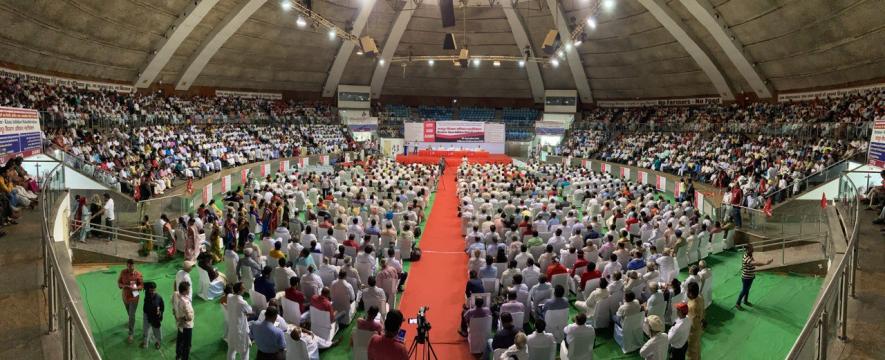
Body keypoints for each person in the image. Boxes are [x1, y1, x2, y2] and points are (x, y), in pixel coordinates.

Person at [735, 244, 772, 310]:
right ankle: (737, 303)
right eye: (750, 249)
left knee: (747, 289)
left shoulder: (750, 255)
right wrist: (765, 263)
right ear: (746, 250)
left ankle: (745, 301)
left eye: (752, 249)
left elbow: (755, 263)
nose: (752, 250)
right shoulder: (746, 258)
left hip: (750, 276)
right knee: (744, 290)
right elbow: (755, 263)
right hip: (746, 277)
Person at [117, 259, 143, 343]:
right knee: (129, 313)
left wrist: (136, 288)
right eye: (128, 266)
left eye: (131, 266)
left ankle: (131, 334)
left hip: (134, 297)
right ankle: (131, 321)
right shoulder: (123, 272)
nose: (129, 268)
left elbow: (141, 285)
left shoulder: (138, 274)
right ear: (126, 265)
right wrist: (123, 285)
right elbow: (119, 282)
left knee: (132, 314)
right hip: (125, 296)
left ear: (134, 266)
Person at [227, 282, 253, 360]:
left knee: (231, 350)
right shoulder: (242, 302)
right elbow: (249, 312)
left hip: (232, 329)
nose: (244, 289)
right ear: (239, 291)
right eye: (243, 288)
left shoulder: (229, 297)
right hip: (241, 331)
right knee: (245, 352)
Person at [173, 282, 194, 360]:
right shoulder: (185, 302)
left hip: (179, 324)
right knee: (186, 345)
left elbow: (173, 307)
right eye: (188, 289)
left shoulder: (175, 295)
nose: (189, 290)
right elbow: (189, 317)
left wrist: (177, 316)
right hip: (186, 326)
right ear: (184, 291)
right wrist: (184, 318)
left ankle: (178, 355)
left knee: (179, 340)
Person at [141, 282, 164, 349]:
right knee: (146, 329)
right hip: (146, 315)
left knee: (157, 330)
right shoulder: (147, 293)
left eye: (154, 290)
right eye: (151, 290)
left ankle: (158, 342)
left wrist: (160, 314)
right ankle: (145, 343)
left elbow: (162, 307)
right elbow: (144, 284)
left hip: (155, 317)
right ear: (148, 289)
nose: (152, 292)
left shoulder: (158, 298)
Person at [686, 282, 704, 360]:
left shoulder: (692, 306)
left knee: (691, 351)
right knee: (697, 347)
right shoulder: (700, 297)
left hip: (692, 331)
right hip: (699, 327)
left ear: (691, 293)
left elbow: (691, 321)